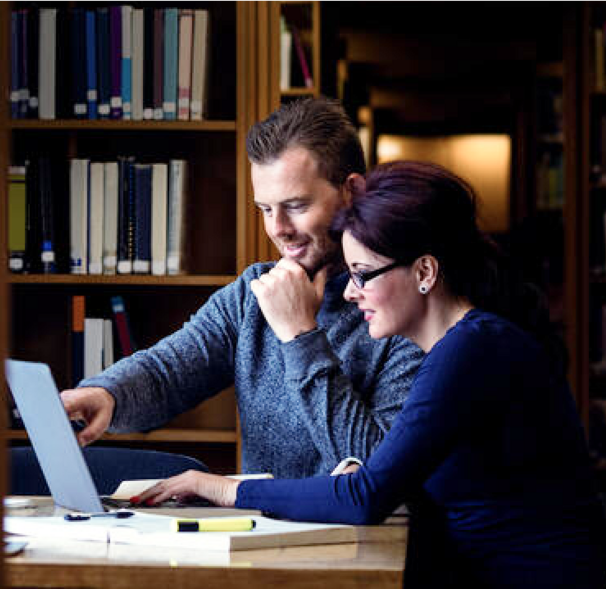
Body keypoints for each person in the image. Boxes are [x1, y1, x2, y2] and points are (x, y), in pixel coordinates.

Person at [135, 161, 606, 588]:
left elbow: (365, 498)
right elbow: (386, 474)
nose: (349, 293)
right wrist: (365, 469)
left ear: (424, 270)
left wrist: (213, 485)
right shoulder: (464, 345)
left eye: (363, 274)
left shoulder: (471, 350)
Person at [61, 98, 422, 478]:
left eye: (295, 205)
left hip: (350, 536)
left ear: (351, 191)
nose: (278, 228)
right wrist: (106, 395)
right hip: (260, 531)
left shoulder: (401, 304)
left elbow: (377, 467)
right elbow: (168, 371)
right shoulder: (252, 291)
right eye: (265, 209)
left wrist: (300, 337)